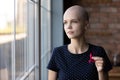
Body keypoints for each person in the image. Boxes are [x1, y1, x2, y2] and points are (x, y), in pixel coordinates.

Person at [47, 5, 112, 80]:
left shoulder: (98, 52)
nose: (68, 26)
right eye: (65, 22)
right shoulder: (58, 53)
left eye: (74, 22)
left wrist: (101, 71)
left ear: (86, 25)